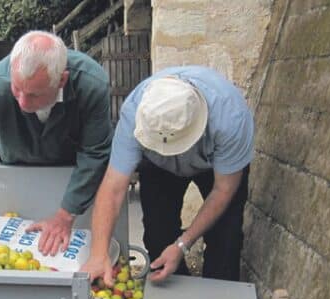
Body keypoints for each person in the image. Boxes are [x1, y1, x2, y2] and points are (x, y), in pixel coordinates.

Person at [0, 31, 112, 256]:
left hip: (72, 179)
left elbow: (95, 153)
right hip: (14, 171)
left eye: (34, 95)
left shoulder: (91, 83)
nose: (22, 102)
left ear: (61, 80)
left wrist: (65, 215)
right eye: (16, 89)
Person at [81, 66, 254, 286]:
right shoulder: (134, 113)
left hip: (215, 166)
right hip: (157, 165)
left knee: (226, 236)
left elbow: (223, 190)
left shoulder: (230, 119)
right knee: (158, 235)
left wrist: (183, 245)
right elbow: (113, 187)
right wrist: (98, 253)